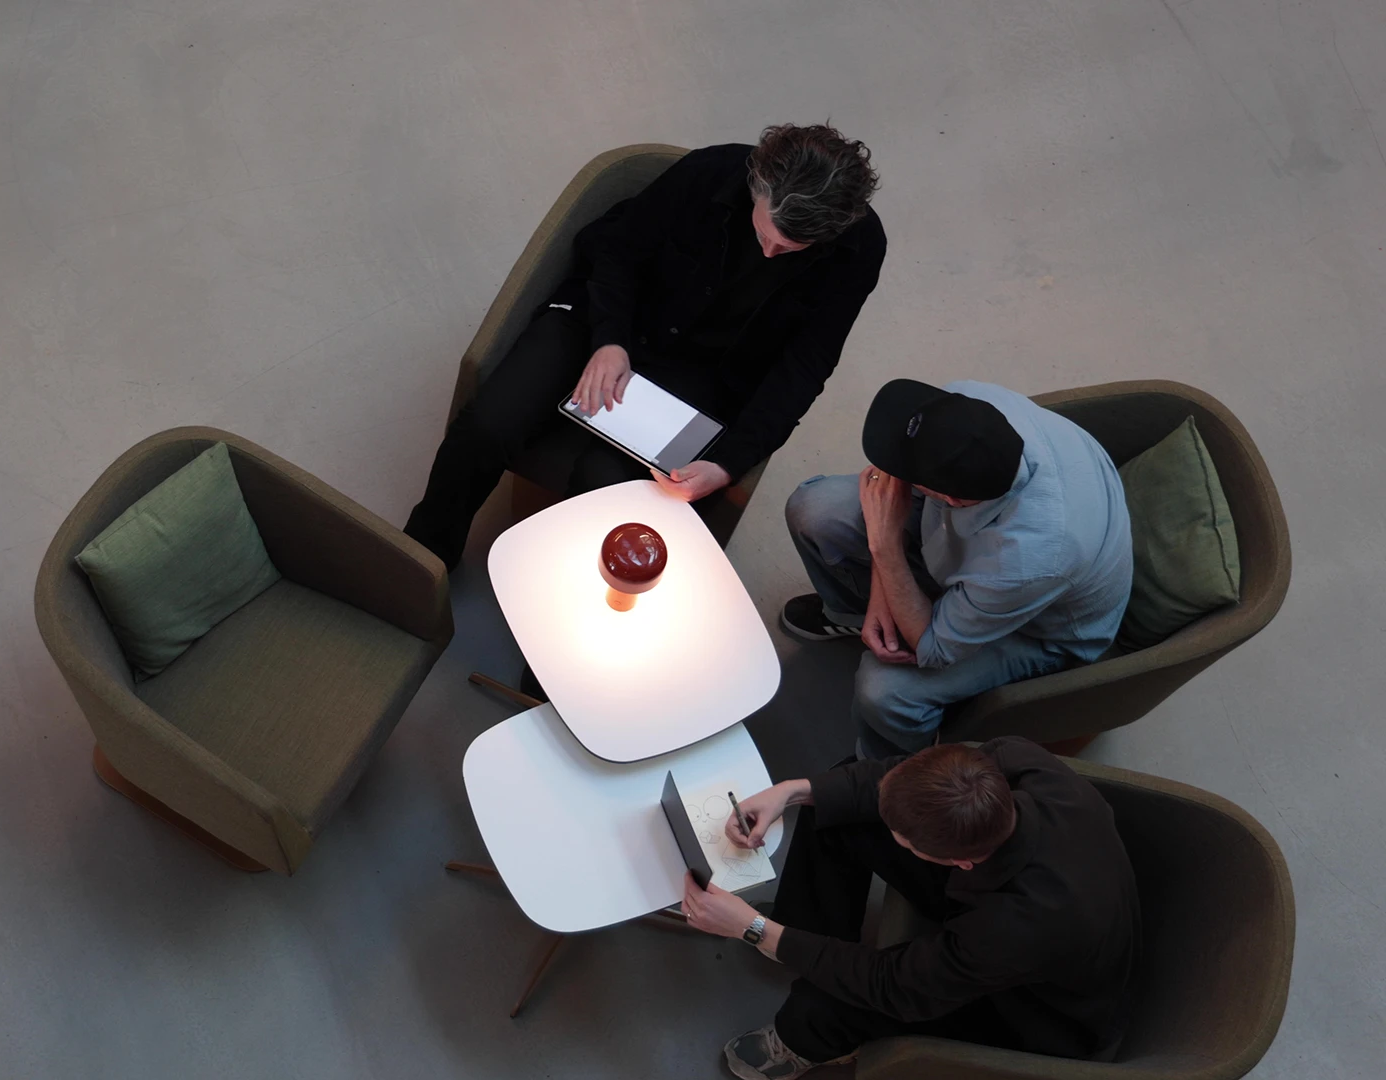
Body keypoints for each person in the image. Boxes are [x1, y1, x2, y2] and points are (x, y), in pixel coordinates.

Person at [402, 124, 886, 569]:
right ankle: (423, 561)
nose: (768, 253)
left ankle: (559, 613)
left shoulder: (861, 247)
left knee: (607, 490)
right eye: (763, 234)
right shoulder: (708, 171)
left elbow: (805, 365)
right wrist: (609, 340)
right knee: (489, 425)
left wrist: (727, 464)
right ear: (756, 186)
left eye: (789, 250)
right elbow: (617, 252)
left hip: (707, 373)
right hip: (612, 315)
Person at [680, 739, 1140, 1079]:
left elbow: (895, 985)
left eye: (904, 842)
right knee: (836, 807)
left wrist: (755, 929)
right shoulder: (1015, 764)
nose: (893, 837)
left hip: (1038, 1009)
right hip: (1022, 912)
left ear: (959, 862)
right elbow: (895, 775)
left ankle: (801, 1044)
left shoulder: (1016, 928)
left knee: (830, 1001)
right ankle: (802, 927)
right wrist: (794, 791)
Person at [780, 379, 1132, 757]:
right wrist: (880, 594)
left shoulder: (1030, 559)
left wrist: (884, 545)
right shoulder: (970, 403)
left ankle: (890, 766)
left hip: (1042, 628)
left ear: (949, 497)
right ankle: (854, 615)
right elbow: (892, 472)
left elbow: (932, 649)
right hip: (989, 559)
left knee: (884, 690)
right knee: (814, 508)